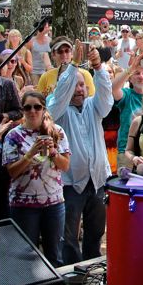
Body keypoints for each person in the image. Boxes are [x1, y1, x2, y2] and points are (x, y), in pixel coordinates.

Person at [46, 41, 112, 263]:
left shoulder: (95, 106)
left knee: (96, 231)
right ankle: (72, 272)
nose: (79, 89)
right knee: (69, 235)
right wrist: (73, 64)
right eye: (75, 85)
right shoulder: (57, 109)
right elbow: (60, 93)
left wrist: (98, 67)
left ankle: (92, 267)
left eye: (82, 85)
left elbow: (106, 96)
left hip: (98, 181)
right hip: (70, 183)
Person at [0, 90, 69, 266]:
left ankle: (55, 284)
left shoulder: (57, 132)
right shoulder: (13, 135)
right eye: (27, 107)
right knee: (26, 257)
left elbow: (65, 166)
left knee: (55, 255)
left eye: (37, 107)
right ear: (22, 110)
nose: (32, 111)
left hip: (54, 203)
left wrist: (53, 152)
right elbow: (12, 172)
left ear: (44, 109)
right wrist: (30, 154)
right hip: (24, 205)